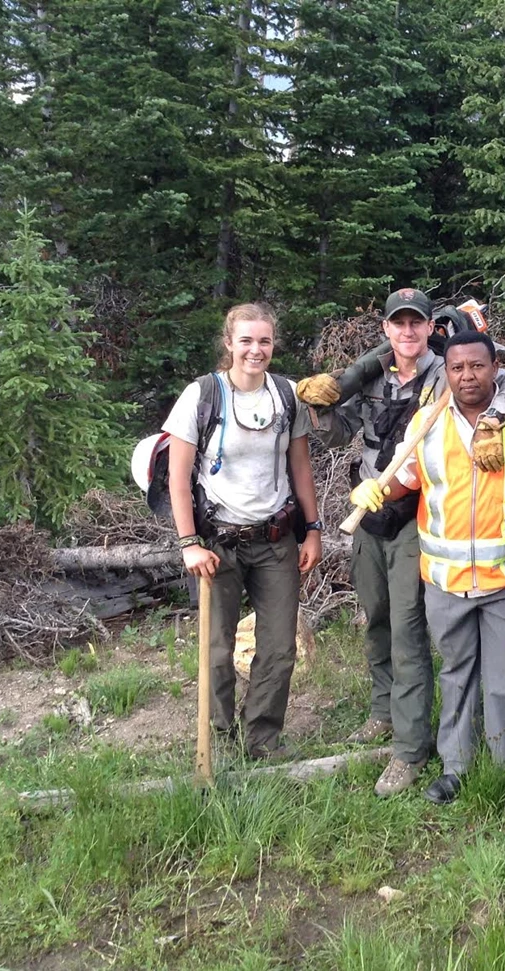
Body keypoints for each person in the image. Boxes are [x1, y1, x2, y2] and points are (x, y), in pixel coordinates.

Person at [297, 288, 505, 798]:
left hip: (422, 523)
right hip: (373, 513)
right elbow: (340, 435)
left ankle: (414, 751)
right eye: (398, 324)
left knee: (414, 633)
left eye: (417, 323)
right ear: (386, 329)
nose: (407, 332)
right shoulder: (369, 378)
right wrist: (321, 406)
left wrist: (501, 411)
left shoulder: (448, 374)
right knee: (379, 619)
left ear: (432, 327)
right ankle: (386, 714)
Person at [350, 330, 505, 815]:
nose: (467, 376)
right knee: (457, 676)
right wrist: (376, 490)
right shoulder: (427, 423)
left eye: (477, 366)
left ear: (495, 366)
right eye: (457, 368)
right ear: (448, 372)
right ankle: (455, 769)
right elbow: (405, 479)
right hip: (445, 583)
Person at [163, 303, 323, 761]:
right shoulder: (202, 395)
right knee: (217, 650)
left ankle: (262, 740)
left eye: (265, 341)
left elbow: (300, 466)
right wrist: (189, 543)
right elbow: (178, 478)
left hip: (275, 540)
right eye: (247, 340)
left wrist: (312, 530)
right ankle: (216, 735)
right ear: (229, 343)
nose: (257, 350)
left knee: (278, 648)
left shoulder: (286, 394)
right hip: (217, 543)